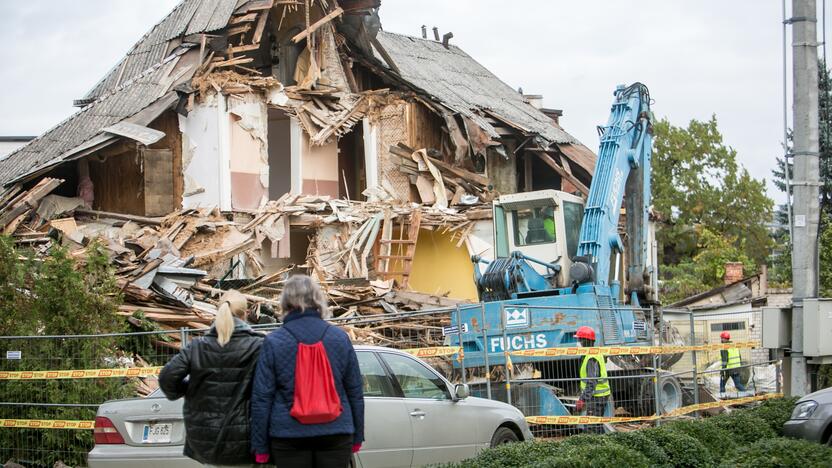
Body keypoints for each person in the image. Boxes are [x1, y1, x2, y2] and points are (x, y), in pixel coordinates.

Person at [250, 275, 364, 468]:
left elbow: (262, 397)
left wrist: (260, 447)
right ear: (318, 300)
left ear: (285, 301)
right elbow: (354, 390)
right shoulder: (339, 338)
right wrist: (357, 436)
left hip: (288, 434)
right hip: (336, 431)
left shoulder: (274, 341)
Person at [158, 290, 263, 467]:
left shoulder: (197, 346)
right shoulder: (257, 345)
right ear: (245, 314)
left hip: (204, 437)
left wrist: (189, 389)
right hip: (242, 438)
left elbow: (167, 378)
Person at [575, 326, 611, 434]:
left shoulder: (591, 358)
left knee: (591, 428)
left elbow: (592, 381)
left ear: (585, 341)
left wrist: (582, 399)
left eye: (579, 340)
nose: (578, 343)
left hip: (597, 397)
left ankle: (596, 448)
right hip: (598, 396)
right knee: (596, 425)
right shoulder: (593, 353)